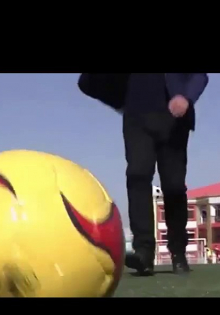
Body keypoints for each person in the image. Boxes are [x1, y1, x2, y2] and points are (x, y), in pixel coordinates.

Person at [78, 73, 209, 276]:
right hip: (136, 118)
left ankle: (178, 252)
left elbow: (200, 75)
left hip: (174, 118)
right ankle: (144, 253)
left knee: (173, 185)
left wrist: (186, 97)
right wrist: (117, 100)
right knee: (137, 176)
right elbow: (88, 82)